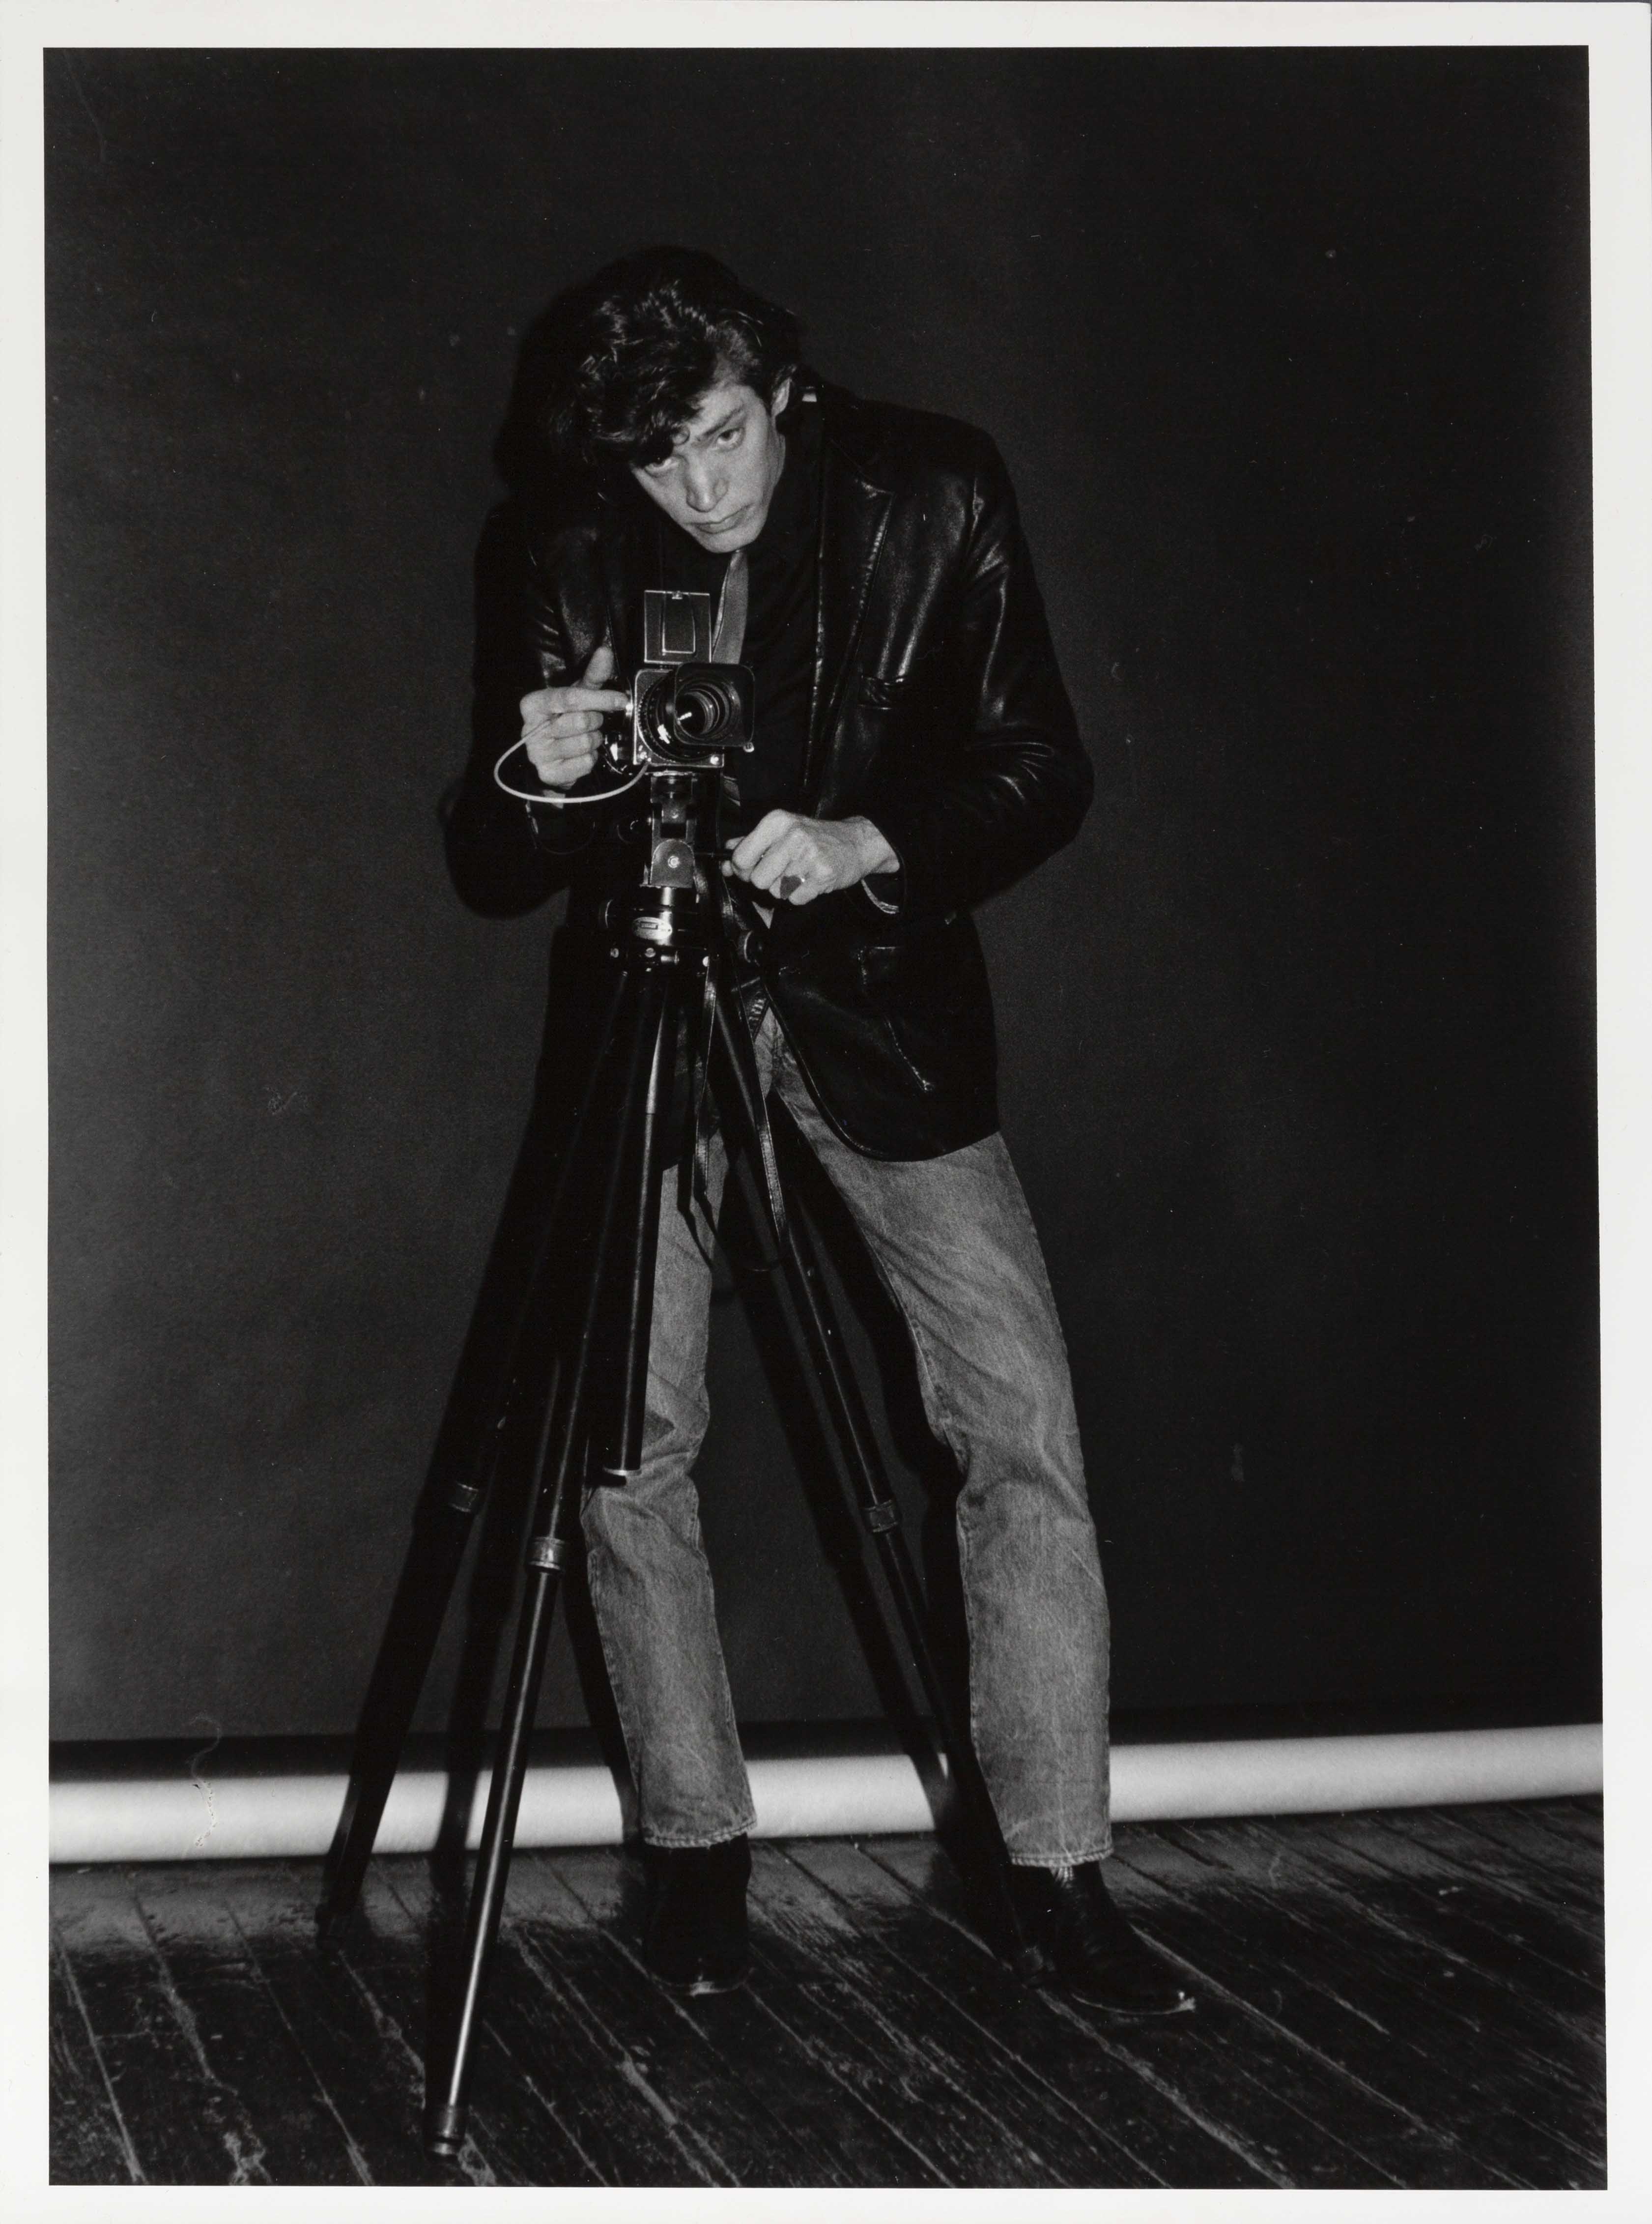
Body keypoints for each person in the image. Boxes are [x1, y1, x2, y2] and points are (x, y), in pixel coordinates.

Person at [447, 246, 1190, 2017]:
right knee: (626, 1450)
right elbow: (492, 864)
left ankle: (1059, 1872)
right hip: (648, 1017)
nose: (698, 494)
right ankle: (696, 1863)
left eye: (719, 440)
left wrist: (871, 845)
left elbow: (1040, 764)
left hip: (879, 1015)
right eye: (654, 466)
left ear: (778, 389)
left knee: (1017, 1428)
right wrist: (539, 777)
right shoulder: (557, 541)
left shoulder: (928, 489)